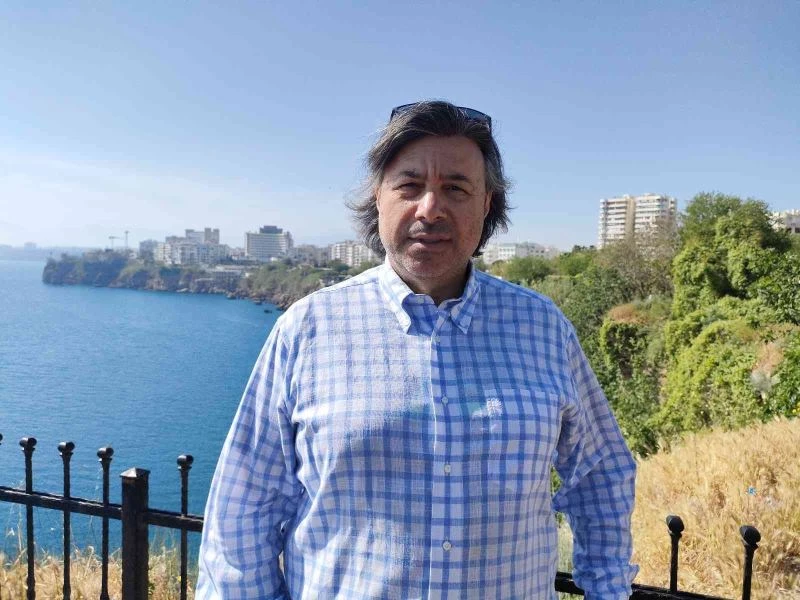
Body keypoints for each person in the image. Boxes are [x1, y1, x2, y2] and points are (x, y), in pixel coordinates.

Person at [197, 100, 638, 599]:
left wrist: (608, 591)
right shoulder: (308, 329)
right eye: (409, 185)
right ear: (378, 197)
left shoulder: (543, 328)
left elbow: (601, 473)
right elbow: (244, 509)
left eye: (456, 188)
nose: (430, 209)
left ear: (486, 204)